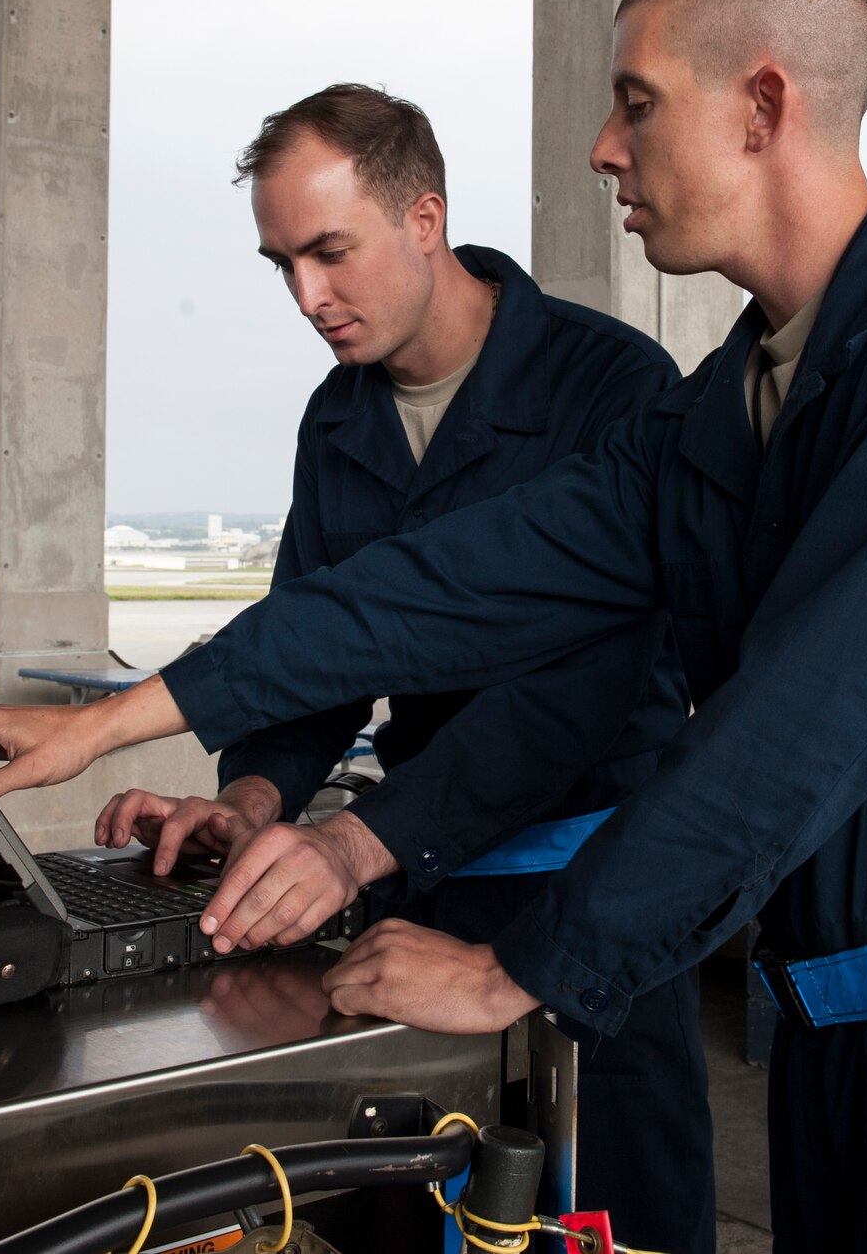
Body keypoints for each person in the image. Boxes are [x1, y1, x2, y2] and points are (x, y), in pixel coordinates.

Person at [0, 0, 867, 1252]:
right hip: (831, 1042)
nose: (603, 146)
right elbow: (438, 585)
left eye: (636, 101)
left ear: (765, 105)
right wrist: (109, 721)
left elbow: (821, 699)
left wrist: (521, 963)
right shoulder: (721, 412)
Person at [85, 82, 714, 1251]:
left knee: (604, 1207)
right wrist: (248, 802)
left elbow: (576, 695)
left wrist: (348, 842)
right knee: (400, 1199)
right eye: (280, 264)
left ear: (423, 218)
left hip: (582, 884)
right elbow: (314, 642)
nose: (306, 297)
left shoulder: (612, 388)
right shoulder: (337, 419)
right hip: (412, 876)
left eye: (329, 252)